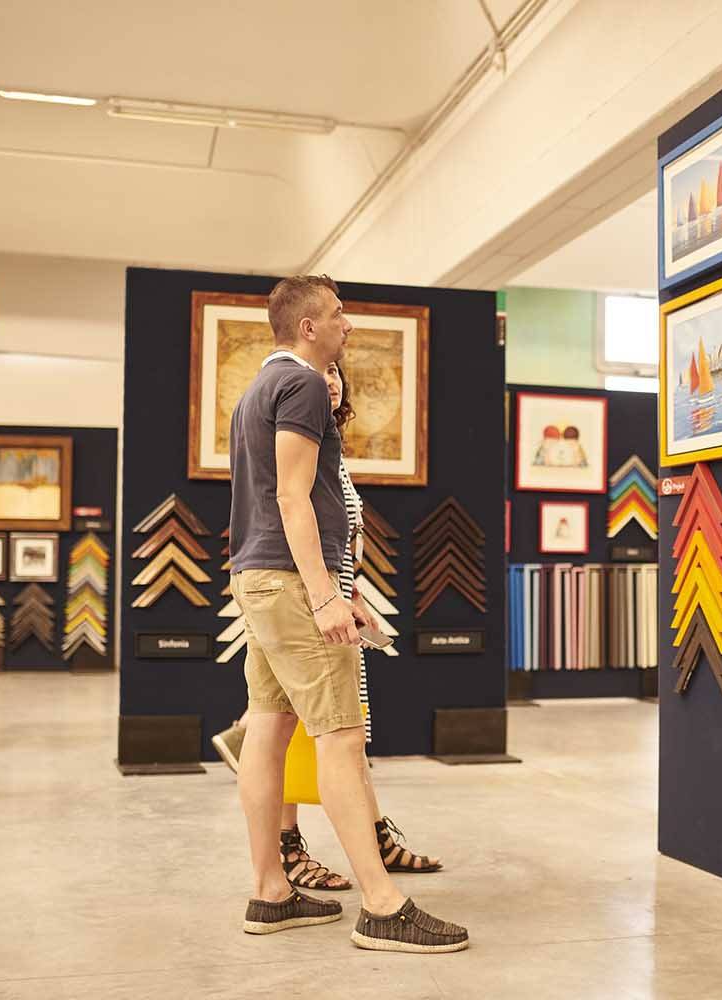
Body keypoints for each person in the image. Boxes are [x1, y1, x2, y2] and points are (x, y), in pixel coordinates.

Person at [226, 274, 467, 952]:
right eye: (338, 314)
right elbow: (293, 497)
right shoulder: (302, 383)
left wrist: (336, 586)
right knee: (340, 737)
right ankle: (383, 905)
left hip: (259, 578)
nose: (348, 324)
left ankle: (271, 891)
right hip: (291, 582)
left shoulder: (256, 389)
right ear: (308, 327)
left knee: (267, 729)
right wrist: (326, 593)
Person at [211, 360, 443, 893]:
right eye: (326, 370)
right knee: (324, 733)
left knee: (304, 728)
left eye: (338, 374)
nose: (331, 380)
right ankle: (362, 888)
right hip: (305, 593)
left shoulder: (324, 445)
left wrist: (349, 590)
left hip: (321, 591)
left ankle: (285, 878)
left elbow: (333, 527)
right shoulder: (296, 424)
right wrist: (324, 595)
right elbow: (291, 507)